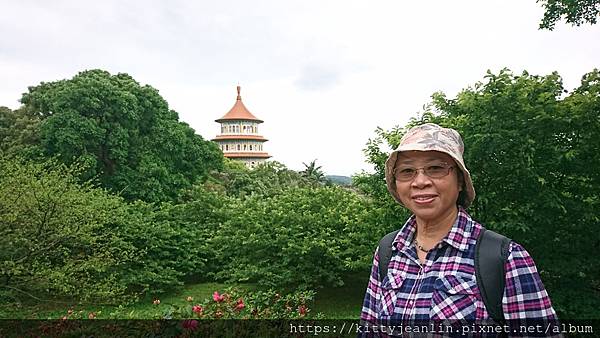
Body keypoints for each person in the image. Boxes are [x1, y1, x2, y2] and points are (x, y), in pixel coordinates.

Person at [359, 123, 558, 336]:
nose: (420, 181)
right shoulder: (389, 250)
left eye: (435, 168)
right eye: (407, 171)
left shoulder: (504, 257)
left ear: (460, 180)